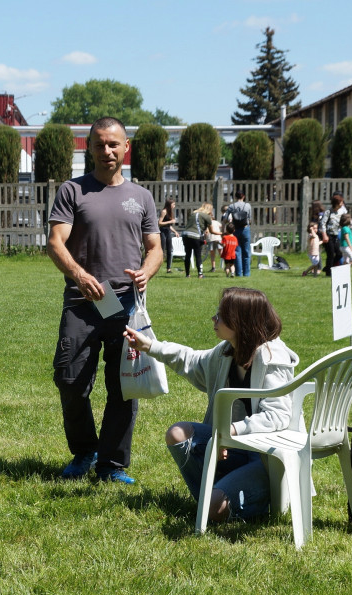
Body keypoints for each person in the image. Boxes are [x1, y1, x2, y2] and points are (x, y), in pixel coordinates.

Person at [46, 116, 162, 485]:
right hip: (83, 301)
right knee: (69, 379)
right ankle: (85, 451)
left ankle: (112, 464)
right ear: (89, 148)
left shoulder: (141, 197)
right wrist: (79, 274)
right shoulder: (73, 191)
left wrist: (147, 270)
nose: (107, 150)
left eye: (114, 144)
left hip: (124, 304)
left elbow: (155, 248)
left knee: (124, 383)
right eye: (99, 144)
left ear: (126, 147)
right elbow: (55, 243)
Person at [123, 287, 299, 523]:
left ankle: (234, 502)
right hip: (235, 446)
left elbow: (277, 416)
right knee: (178, 434)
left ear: (240, 322)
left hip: (266, 458)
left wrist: (227, 433)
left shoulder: (272, 358)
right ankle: (210, 500)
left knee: (213, 508)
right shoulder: (226, 352)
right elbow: (192, 359)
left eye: (221, 316)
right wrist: (149, 347)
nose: (214, 319)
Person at [182, 203, 212, 279]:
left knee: (187, 255)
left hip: (185, 235)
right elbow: (212, 230)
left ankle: (187, 274)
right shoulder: (207, 216)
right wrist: (222, 233)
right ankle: (200, 274)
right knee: (198, 255)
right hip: (196, 236)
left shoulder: (193, 214)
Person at [226, 190, 253, 277]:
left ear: (235, 197)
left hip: (235, 230)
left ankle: (238, 273)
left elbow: (226, 217)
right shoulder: (247, 205)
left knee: (237, 252)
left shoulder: (231, 206)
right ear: (243, 196)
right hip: (245, 229)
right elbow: (250, 218)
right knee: (246, 252)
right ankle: (247, 273)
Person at [320, 191, 347, 275]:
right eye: (341, 202)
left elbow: (344, 221)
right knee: (330, 253)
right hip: (328, 235)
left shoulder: (342, 211)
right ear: (336, 203)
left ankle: (328, 267)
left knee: (339, 254)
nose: (342, 203)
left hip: (336, 235)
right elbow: (323, 223)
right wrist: (324, 235)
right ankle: (329, 272)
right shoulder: (328, 212)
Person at [158, 198, 179, 274]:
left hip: (168, 232)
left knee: (170, 250)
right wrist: (170, 221)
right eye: (173, 204)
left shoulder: (171, 212)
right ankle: (157, 266)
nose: (174, 206)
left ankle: (168, 268)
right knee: (162, 250)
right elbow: (159, 223)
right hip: (162, 231)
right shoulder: (164, 211)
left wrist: (175, 231)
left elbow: (169, 226)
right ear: (169, 204)